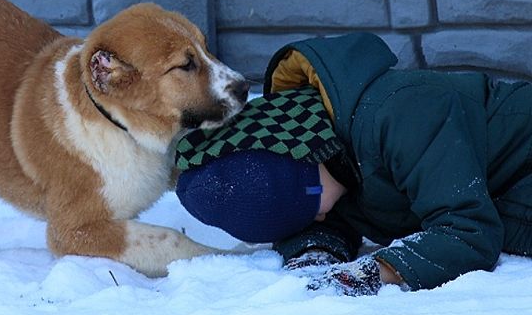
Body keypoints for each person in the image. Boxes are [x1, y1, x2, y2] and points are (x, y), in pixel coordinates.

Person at [173, 32, 532, 295]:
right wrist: (315, 251)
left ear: (309, 159)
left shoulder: (402, 116)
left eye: (307, 207)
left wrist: (381, 269)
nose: (318, 218)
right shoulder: (335, 165)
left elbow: (468, 231)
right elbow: (325, 218)